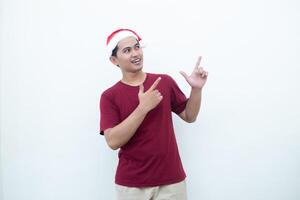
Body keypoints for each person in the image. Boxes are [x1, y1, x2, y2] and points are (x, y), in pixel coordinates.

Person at [99, 28, 208, 200]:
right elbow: (112, 141)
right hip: (131, 186)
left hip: (171, 182)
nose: (135, 53)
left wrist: (196, 89)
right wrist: (142, 109)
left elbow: (189, 116)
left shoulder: (164, 82)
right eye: (127, 50)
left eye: (137, 47)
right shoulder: (109, 96)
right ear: (114, 60)